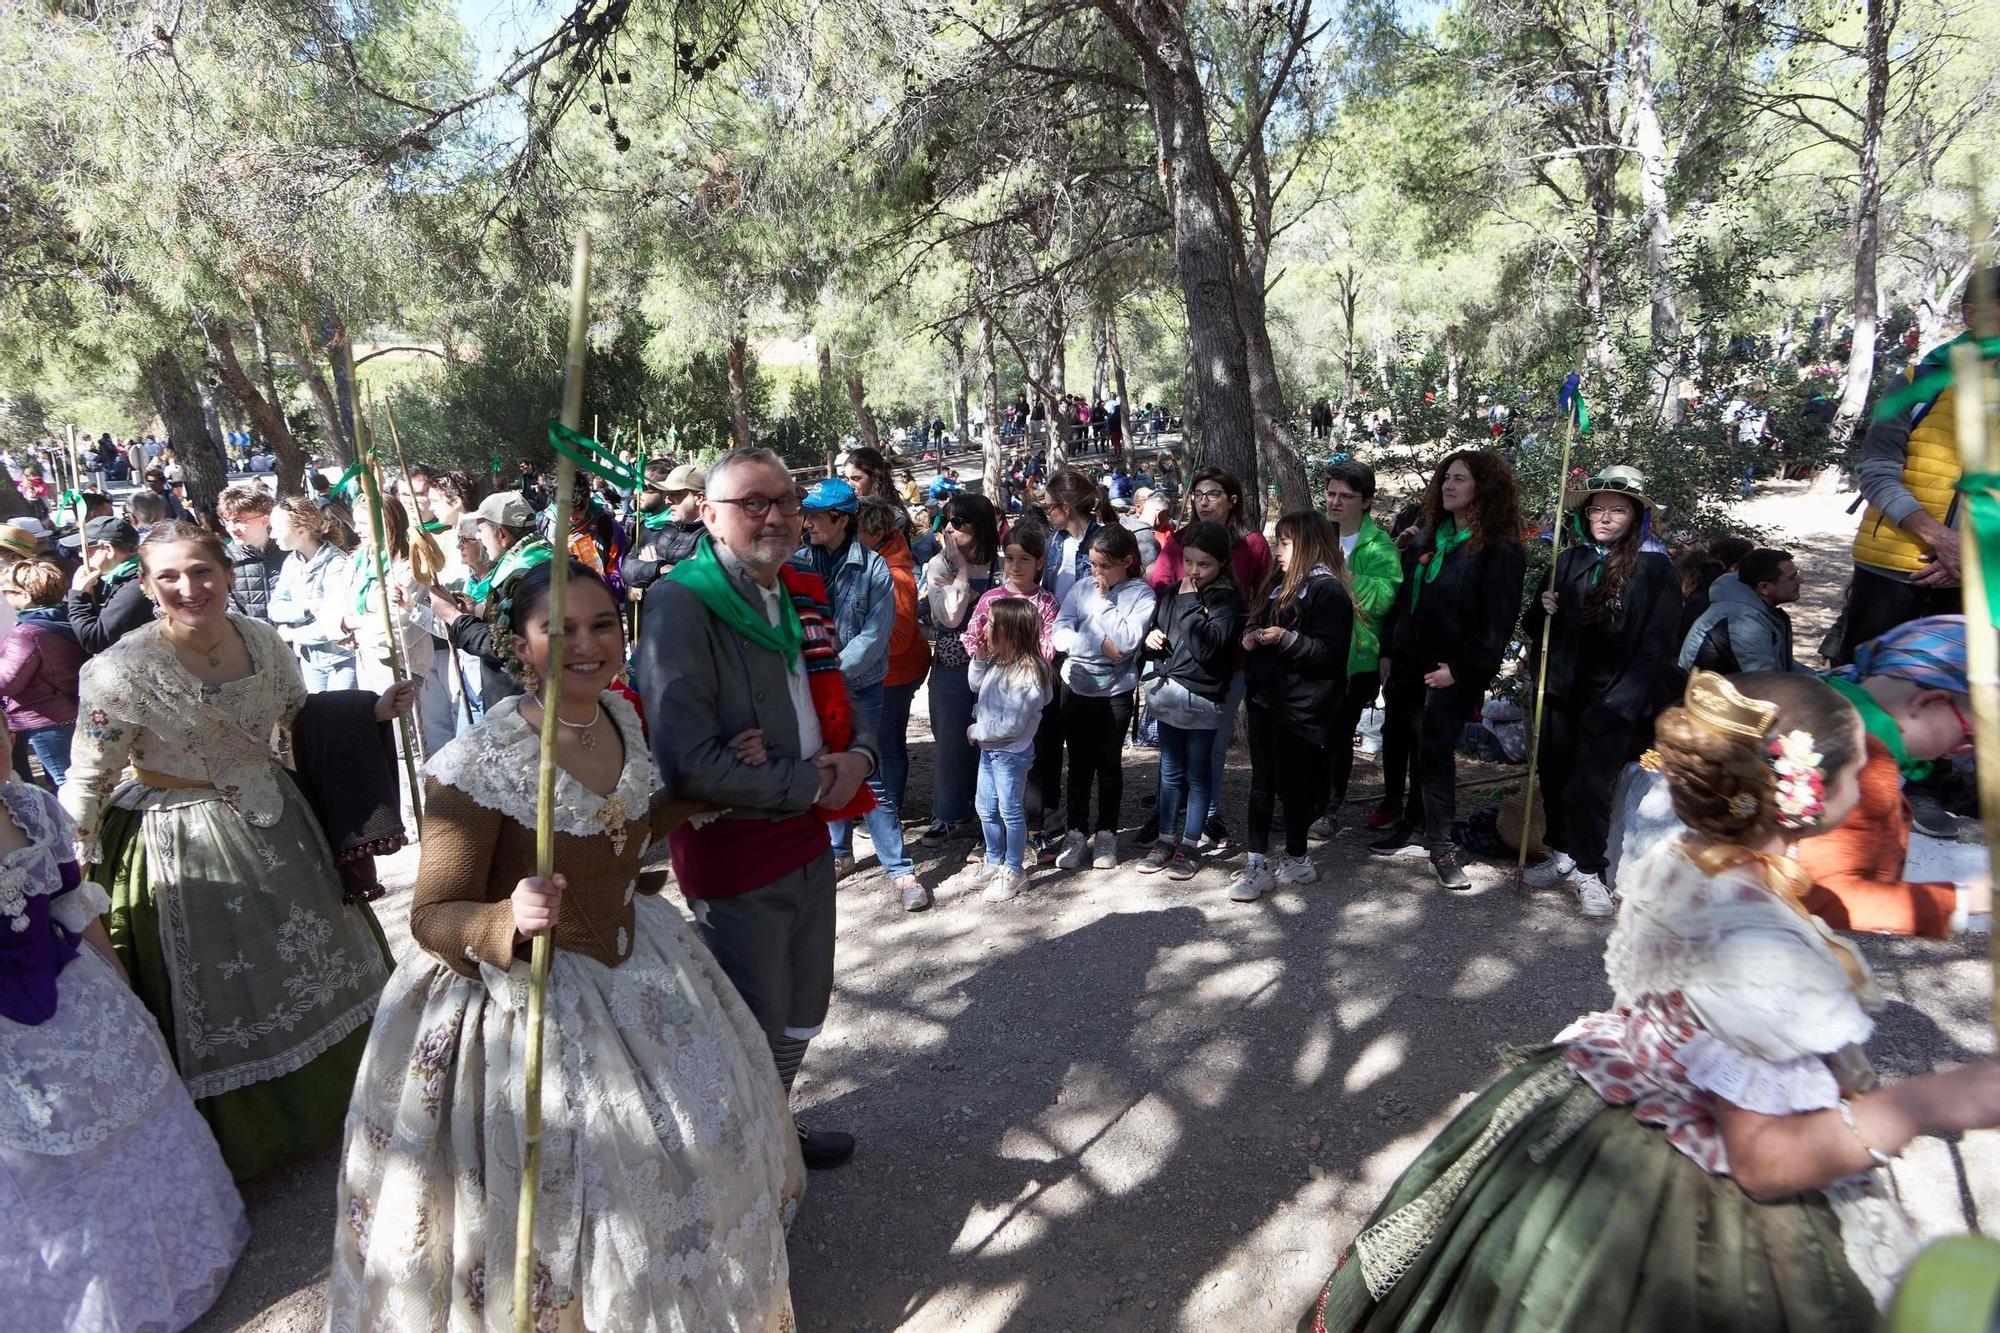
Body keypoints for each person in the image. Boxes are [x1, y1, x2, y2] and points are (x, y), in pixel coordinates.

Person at [1298, 670, 2000, 1332]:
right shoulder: (1765, 945)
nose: (1873, 779)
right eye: (1859, 768)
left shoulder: (1698, 861)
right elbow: (1761, 1156)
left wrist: (1961, 902)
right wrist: (1930, 1102)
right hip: (1680, 1189)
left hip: (1606, 1092)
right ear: (1809, 792)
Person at [328, 562, 802, 1331]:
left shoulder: (621, 715)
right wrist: (503, 916)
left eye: (603, 624)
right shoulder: (482, 762)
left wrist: (711, 788)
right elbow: (431, 915)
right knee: (597, 1189)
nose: (588, 644)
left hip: (636, 957)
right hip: (532, 989)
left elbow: (625, 826)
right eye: (562, 628)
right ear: (521, 646)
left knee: (700, 1143)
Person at [62, 521, 408, 1179]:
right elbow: (88, 775)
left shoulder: (263, 639)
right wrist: (63, 870)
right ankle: (255, 1136)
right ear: (145, 585)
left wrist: (371, 710)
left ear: (224, 571)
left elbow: (300, 717)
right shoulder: (117, 670)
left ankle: (355, 1092)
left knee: (318, 957)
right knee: (232, 982)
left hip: (282, 818)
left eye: (201, 571)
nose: (189, 587)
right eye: (169, 577)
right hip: (183, 841)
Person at [640, 447, 876, 1172]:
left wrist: (859, 759)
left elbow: (838, 698)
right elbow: (690, 761)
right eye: (751, 503)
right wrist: (807, 782)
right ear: (709, 515)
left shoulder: (800, 583)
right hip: (737, 848)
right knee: (749, 1015)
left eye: (784, 500)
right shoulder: (682, 600)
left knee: (807, 999)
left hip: (807, 830)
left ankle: (775, 1122)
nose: (772, 514)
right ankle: (747, 1166)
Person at [1, 775, 248, 1329]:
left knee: (126, 1117)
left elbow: (72, 905)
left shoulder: (32, 808)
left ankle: (161, 1273)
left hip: (70, 987)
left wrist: (122, 990)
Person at [1520, 466, 1683, 917]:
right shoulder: (1569, 561)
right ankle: (1562, 853)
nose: (1605, 517)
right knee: (1553, 775)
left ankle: (1590, 868)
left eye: (1617, 510)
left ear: (1636, 517)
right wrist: (1543, 607)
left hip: (1612, 698)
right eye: (1597, 509)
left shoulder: (1654, 569)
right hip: (1559, 690)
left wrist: (1621, 702)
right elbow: (1537, 630)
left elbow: (1658, 646)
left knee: (1589, 786)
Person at [1369, 451, 1527, 890]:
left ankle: (1441, 845)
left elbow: (1497, 623)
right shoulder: (1427, 538)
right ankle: (1414, 825)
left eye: (1459, 479)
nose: (1448, 487)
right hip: (1407, 659)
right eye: (1446, 479)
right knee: (1407, 741)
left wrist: (1459, 671)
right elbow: (1404, 601)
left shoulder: (1501, 550)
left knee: (1436, 752)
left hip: (1453, 667)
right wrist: (1388, 649)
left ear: (1484, 488)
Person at [1840, 266, 1998, 657]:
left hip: (1980, 580)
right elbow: (1877, 471)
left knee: (1953, 706)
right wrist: (1941, 539)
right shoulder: (1918, 380)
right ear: (1971, 314)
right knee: (1870, 690)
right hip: (1892, 569)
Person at [796, 478, 915, 904]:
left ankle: (901, 869)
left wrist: (831, 671)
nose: (805, 521)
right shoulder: (795, 565)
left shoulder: (874, 568)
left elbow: (874, 635)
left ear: (839, 519)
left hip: (859, 687)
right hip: (809, 689)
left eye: (813, 514)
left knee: (869, 774)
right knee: (825, 765)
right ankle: (838, 852)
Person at [1231, 514, 1353, 902]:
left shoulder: (1328, 591)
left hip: (1303, 707)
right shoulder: (1279, 585)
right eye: (1277, 542)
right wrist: (1251, 637)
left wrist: (1285, 638)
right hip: (1267, 699)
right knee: (1262, 783)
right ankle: (1256, 863)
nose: (1278, 550)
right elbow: (1260, 629)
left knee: (1294, 785)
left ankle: (1297, 856)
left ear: (1309, 545)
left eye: (1285, 543)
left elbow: (1330, 653)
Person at [1149, 468, 1271, 849]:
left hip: (1225, 659)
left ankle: (1205, 818)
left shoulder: (1250, 544)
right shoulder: (1179, 542)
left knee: (1212, 748)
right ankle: (1167, 822)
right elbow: (1160, 586)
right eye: (1198, 494)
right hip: (1176, 664)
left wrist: (1248, 630)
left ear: (1231, 499)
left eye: (1213, 493)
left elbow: (1264, 591)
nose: (1204, 501)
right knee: (1171, 757)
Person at [1138, 521, 1247, 880]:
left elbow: (1206, 648)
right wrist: (1151, 637)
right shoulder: (1171, 593)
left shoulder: (1227, 601)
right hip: (1169, 694)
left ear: (1221, 565)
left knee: (1198, 775)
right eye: (1189, 562)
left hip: (1202, 696)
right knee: (1169, 770)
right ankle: (1166, 839)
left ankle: (1189, 843)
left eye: (1205, 565)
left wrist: (1187, 603)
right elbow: (1160, 630)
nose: (1195, 572)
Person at [1316, 461, 1403, 839]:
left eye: (1346, 496)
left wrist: (1343, 573)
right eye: (1331, 493)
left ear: (1366, 501)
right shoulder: (1316, 532)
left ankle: (1329, 809)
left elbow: (1385, 598)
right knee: (1308, 731)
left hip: (1356, 658)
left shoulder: (1379, 545)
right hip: (1310, 650)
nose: (1335, 502)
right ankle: (1304, 801)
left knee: (1338, 734)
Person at [968, 520, 1062, 861]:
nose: (1015, 566)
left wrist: (1021, 658)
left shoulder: (1047, 602)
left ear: (1039, 562)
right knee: (990, 785)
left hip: (1027, 691)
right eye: (1009, 558)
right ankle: (992, 844)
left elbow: (1048, 645)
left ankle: (1034, 832)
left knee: (1033, 768)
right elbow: (972, 637)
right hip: (995, 690)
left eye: (1024, 559)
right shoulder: (992, 599)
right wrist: (982, 651)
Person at [855, 495, 932, 909]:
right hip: (876, 671)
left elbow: (900, 640)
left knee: (884, 750)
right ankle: (851, 840)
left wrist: (852, 643)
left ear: (875, 532)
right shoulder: (863, 562)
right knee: (872, 752)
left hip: (894, 674)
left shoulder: (896, 573)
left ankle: (892, 816)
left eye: (857, 530)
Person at [917, 492, 1003, 846]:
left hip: (997, 671)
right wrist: (963, 572)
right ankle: (948, 814)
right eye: (945, 521)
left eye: (959, 522)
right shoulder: (939, 566)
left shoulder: (1001, 564)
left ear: (980, 526)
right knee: (952, 744)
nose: (949, 528)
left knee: (992, 744)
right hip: (953, 669)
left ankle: (990, 816)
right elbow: (949, 617)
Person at [965, 597, 1055, 903]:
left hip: (1010, 754)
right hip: (990, 751)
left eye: (991, 623)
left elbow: (1012, 725)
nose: (984, 627)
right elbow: (976, 685)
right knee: (985, 808)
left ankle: (1014, 870)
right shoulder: (999, 660)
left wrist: (977, 730)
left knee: (1010, 811)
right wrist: (979, 656)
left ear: (1012, 632)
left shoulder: (1028, 673)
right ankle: (994, 858)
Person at [433, 491, 553, 711]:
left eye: (481, 530)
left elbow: (506, 646)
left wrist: (455, 618)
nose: (478, 537)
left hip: (524, 705)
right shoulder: (535, 559)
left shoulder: (524, 575)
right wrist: (476, 614)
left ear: (503, 535)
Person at [0, 560, 83, 788]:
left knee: (66, 782)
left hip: (42, 718)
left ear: (26, 596)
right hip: (69, 710)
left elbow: (8, 682)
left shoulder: (26, 633)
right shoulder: (69, 617)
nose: (4, 596)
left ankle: (78, 824)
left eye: (6, 591)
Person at [267, 496, 359, 692]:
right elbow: (274, 608)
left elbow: (333, 626)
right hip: (310, 659)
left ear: (301, 532)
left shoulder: (337, 565)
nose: (272, 535)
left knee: (339, 715)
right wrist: (306, 607)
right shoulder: (292, 562)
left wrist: (292, 634)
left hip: (341, 660)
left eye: (278, 529)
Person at [1678, 546, 1806, 675]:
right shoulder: (1743, 621)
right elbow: (1763, 682)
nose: (1801, 581)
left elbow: (1779, 663)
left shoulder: (1755, 610)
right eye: (1792, 577)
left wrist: (1819, 679)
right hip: (1708, 693)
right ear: (1764, 587)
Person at [63, 515, 152, 654]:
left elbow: (95, 641)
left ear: (108, 549)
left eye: (84, 548)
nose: (80, 554)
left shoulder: (135, 586)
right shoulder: (119, 577)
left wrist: (78, 596)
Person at [622, 459, 706, 593]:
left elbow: (684, 591)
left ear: (699, 498)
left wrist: (650, 570)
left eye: (675, 494)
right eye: (666, 494)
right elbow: (627, 568)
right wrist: (661, 567)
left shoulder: (709, 539)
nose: (667, 500)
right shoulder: (670, 528)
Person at [213, 484, 287, 622]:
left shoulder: (291, 553)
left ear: (266, 520)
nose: (231, 529)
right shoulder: (223, 559)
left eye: (238, 521)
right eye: (226, 521)